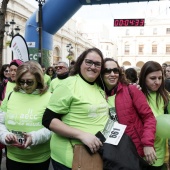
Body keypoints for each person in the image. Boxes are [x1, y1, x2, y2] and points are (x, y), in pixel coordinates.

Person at [42, 48, 109, 170]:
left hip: (95, 155)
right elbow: (48, 120)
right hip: (71, 157)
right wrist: (82, 135)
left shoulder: (98, 86)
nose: (93, 67)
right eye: (89, 62)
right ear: (80, 63)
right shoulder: (68, 85)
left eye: (97, 64)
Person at [100, 58, 157, 167]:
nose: (112, 74)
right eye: (107, 71)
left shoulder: (131, 90)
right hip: (108, 152)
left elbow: (149, 118)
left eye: (115, 70)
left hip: (133, 150)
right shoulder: (95, 93)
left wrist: (148, 143)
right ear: (101, 74)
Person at [0, 61, 51, 170]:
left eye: (29, 82)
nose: (25, 85)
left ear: (38, 80)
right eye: (21, 82)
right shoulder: (10, 95)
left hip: (39, 159)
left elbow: (53, 128)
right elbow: (0, 122)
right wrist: (5, 136)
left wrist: (34, 138)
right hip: (13, 158)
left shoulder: (49, 97)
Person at [139, 61, 170, 170]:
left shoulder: (166, 96)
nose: (157, 82)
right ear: (143, 78)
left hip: (160, 151)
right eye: (153, 78)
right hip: (141, 150)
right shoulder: (137, 94)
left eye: (160, 78)